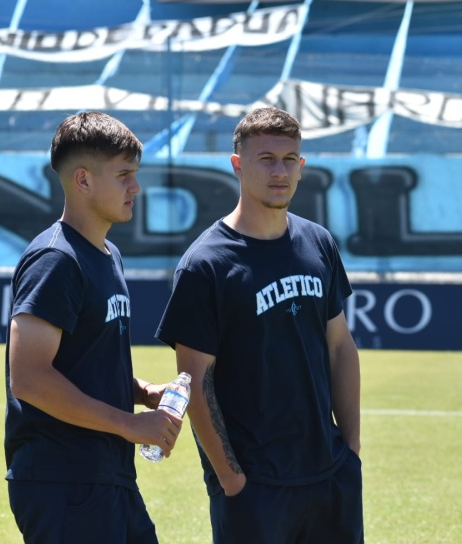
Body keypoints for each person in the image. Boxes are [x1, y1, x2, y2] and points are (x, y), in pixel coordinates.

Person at [155, 107, 363, 543]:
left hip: (329, 475)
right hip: (256, 489)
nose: (279, 171)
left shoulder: (318, 243)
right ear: (237, 165)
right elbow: (195, 380)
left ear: (302, 167)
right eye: (266, 158)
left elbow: (340, 347)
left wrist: (351, 450)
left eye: (290, 159)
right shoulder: (206, 264)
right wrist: (232, 480)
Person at [4, 111, 183, 544]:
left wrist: (140, 392)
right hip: (64, 480)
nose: (135, 187)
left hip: (107, 474)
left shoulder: (107, 254)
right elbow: (28, 378)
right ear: (83, 181)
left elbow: (83, 360)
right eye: (123, 175)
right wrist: (129, 423)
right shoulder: (56, 260)